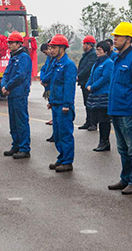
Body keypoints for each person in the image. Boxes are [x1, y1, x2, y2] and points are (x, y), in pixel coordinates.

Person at [107, 22, 132, 195]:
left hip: (130, 111)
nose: (114, 39)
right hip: (116, 110)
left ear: (128, 39)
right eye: (114, 36)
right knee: (123, 148)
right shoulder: (117, 58)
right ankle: (125, 178)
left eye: (118, 36)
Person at [46, 34, 78, 172]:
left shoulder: (68, 65)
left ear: (62, 48)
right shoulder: (55, 63)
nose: (51, 50)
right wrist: (51, 101)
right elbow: (53, 83)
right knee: (58, 134)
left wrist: (67, 104)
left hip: (64, 105)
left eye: (54, 47)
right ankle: (61, 158)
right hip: (56, 103)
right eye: (51, 47)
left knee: (65, 134)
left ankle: (67, 161)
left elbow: (69, 86)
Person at [1, 31, 32, 159]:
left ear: (19, 43)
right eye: (8, 42)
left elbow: (20, 75)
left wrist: (7, 86)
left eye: (11, 42)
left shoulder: (24, 57)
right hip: (12, 93)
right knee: (13, 121)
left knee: (21, 121)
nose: (9, 45)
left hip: (19, 93)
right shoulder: (13, 57)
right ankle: (16, 145)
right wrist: (3, 85)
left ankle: (25, 148)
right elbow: (7, 73)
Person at [86, 40, 114, 152]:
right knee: (98, 118)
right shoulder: (97, 62)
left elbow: (105, 78)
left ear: (106, 51)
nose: (97, 52)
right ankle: (102, 142)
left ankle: (105, 142)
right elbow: (91, 76)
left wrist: (93, 87)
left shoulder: (109, 63)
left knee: (104, 120)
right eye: (97, 50)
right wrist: (88, 84)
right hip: (96, 94)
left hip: (104, 94)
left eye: (99, 50)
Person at [77, 35, 98, 131]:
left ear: (88, 45)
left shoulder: (93, 55)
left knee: (90, 103)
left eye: (84, 44)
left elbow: (88, 68)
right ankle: (88, 121)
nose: (83, 46)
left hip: (88, 82)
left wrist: (79, 76)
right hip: (84, 82)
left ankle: (93, 123)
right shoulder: (86, 54)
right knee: (86, 103)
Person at [39, 43, 55, 140]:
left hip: (51, 86)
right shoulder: (49, 59)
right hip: (47, 85)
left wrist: (45, 80)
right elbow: (43, 69)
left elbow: (52, 72)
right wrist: (42, 79)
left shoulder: (56, 60)